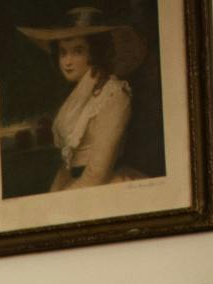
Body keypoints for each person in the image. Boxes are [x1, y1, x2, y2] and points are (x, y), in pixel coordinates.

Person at [15, 5, 149, 192]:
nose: (67, 61)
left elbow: (98, 172)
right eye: (63, 52)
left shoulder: (115, 95)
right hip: (76, 184)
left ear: (95, 52)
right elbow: (68, 163)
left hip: (104, 186)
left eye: (77, 51)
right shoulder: (78, 96)